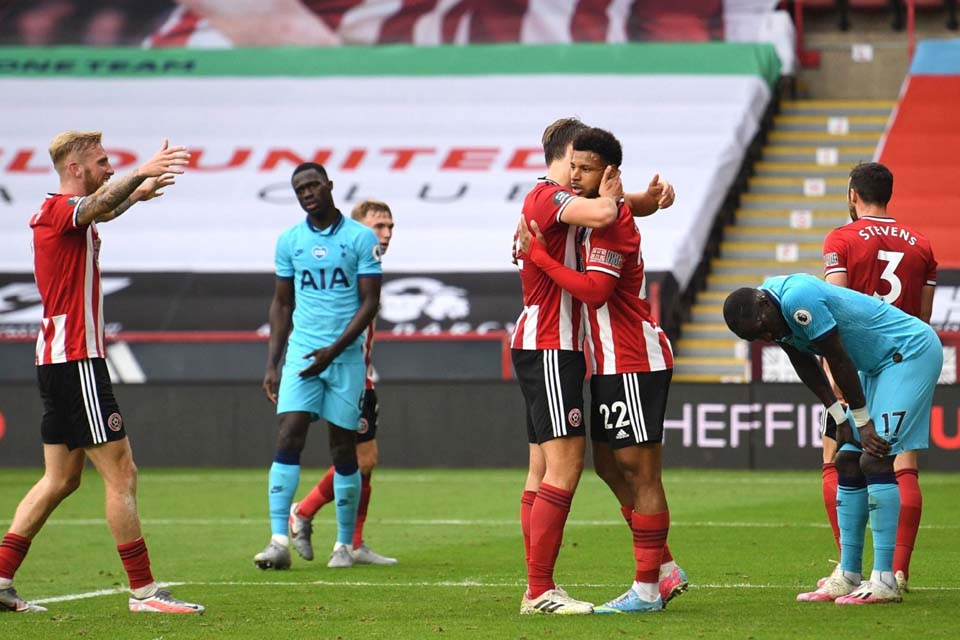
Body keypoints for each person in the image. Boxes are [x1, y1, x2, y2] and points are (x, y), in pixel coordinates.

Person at [0, 130, 204, 614]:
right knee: (121, 472)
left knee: (60, 479)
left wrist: (136, 194)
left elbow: (104, 209)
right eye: (102, 162)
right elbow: (97, 205)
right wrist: (141, 173)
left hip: (58, 360)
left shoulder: (68, 215)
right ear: (75, 169)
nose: (110, 168)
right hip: (76, 361)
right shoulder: (60, 210)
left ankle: (1, 577)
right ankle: (144, 592)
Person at [516, 127, 683, 613]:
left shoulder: (598, 213)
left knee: (617, 469)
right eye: (575, 165)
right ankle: (543, 587)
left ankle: (650, 582)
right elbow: (607, 206)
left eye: (586, 168)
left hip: (623, 356)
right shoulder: (557, 199)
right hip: (569, 349)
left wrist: (649, 198)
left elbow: (596, 284)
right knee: (592, 467)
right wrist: (634, 198)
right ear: (565, 156)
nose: (576, 174)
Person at [723, 275, 942, 605]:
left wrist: (862, 423)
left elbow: (836, 357)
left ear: (765, 303)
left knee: (875, 456)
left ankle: (885, 579)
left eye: (764, 328)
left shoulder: (798, 299)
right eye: (759, 337)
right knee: (847, 460)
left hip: (908, 354)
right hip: (876, 367)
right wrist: (839, 418)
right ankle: (849, 573)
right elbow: (803, 362)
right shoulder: (769, 310)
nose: (768, 336)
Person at [815, 162, 937, 594]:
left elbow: (835, 305)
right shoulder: (921, 244)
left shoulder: (841, 238)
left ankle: (857, 571)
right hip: (903, 360)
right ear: (889, 194)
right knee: (900, 461)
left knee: (843, 455)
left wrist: (833, 371)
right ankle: (895, 571)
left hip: (857, 362)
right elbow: (923, 318)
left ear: (852, 194)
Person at [255, 163, 382, 571]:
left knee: (344, 448)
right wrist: (272, 363)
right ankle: (278, 540)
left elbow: (370, 302)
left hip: (344, 357)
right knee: (288, 434)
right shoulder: (289, 240)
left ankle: (343, 545)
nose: (307, 193)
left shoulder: (360, 238)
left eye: (313, 185)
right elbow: (281, 304)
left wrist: (335, 349)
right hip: (302, 353)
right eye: (300, 189)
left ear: (329, 186)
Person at [289, 199, 398, 567]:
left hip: (361, 374)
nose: (386, 233)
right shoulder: (346, 266)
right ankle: (303, 512)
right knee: (357, 457)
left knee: (366, 460)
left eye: (390, 227)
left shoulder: (369, 266)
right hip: (343, 374)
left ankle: (353, 542)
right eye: (378, 226)